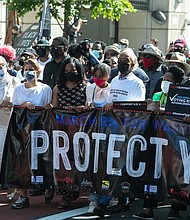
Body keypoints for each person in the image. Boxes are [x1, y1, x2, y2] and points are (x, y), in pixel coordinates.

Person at [93, 49, 145, 217]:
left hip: (127, 129)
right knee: (112, 165)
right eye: (121, 59)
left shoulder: (137, 83)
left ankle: (114, 201)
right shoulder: (115, 80)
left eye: (127, 60)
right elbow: (109, 102)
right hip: (112, 128)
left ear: (133, 63)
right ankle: (112, 199)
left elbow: (138, 108)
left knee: (122, 165)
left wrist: (116, 106)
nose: (123, 62)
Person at [132, 66, 185, 220]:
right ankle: (148, 209)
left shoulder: (182, 97)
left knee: (175, 173)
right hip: (156, 139)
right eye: (164, 80)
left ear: (176, 83)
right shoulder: (157, 94)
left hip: (174, 142)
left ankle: (175, 209)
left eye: (169, 81)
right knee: (152, 173)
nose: (164, 82)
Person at [11, 59, 52, 209]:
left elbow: (48, 110)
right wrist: (25, 106)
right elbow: (15, 109)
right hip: (23, 132)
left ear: (38, 71)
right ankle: (23, 196)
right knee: (23, 163)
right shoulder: (18, 89)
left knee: (43, 160)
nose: (29, 71)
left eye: (32, 69)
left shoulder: (45, 89)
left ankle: (48, 186)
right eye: (26, 69)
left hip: (41, 132)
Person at [51, 57, 87, 208]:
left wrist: (82, 108)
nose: (70, 73)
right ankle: (65, 193)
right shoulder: (58, 88)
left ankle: (78, 189)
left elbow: (89, 106)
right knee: (63, 162)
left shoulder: (86, 86)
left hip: (80, 130)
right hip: (62, 130)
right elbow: (54, 107)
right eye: (66, 71)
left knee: (79, 159)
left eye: (73, 70)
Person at [0, 56, 20, 201]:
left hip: (6, 123)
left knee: (4, 153)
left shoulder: (14, 81)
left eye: (1, 65)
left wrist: (10, 104)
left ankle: (8, 183)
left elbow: (18, 102)